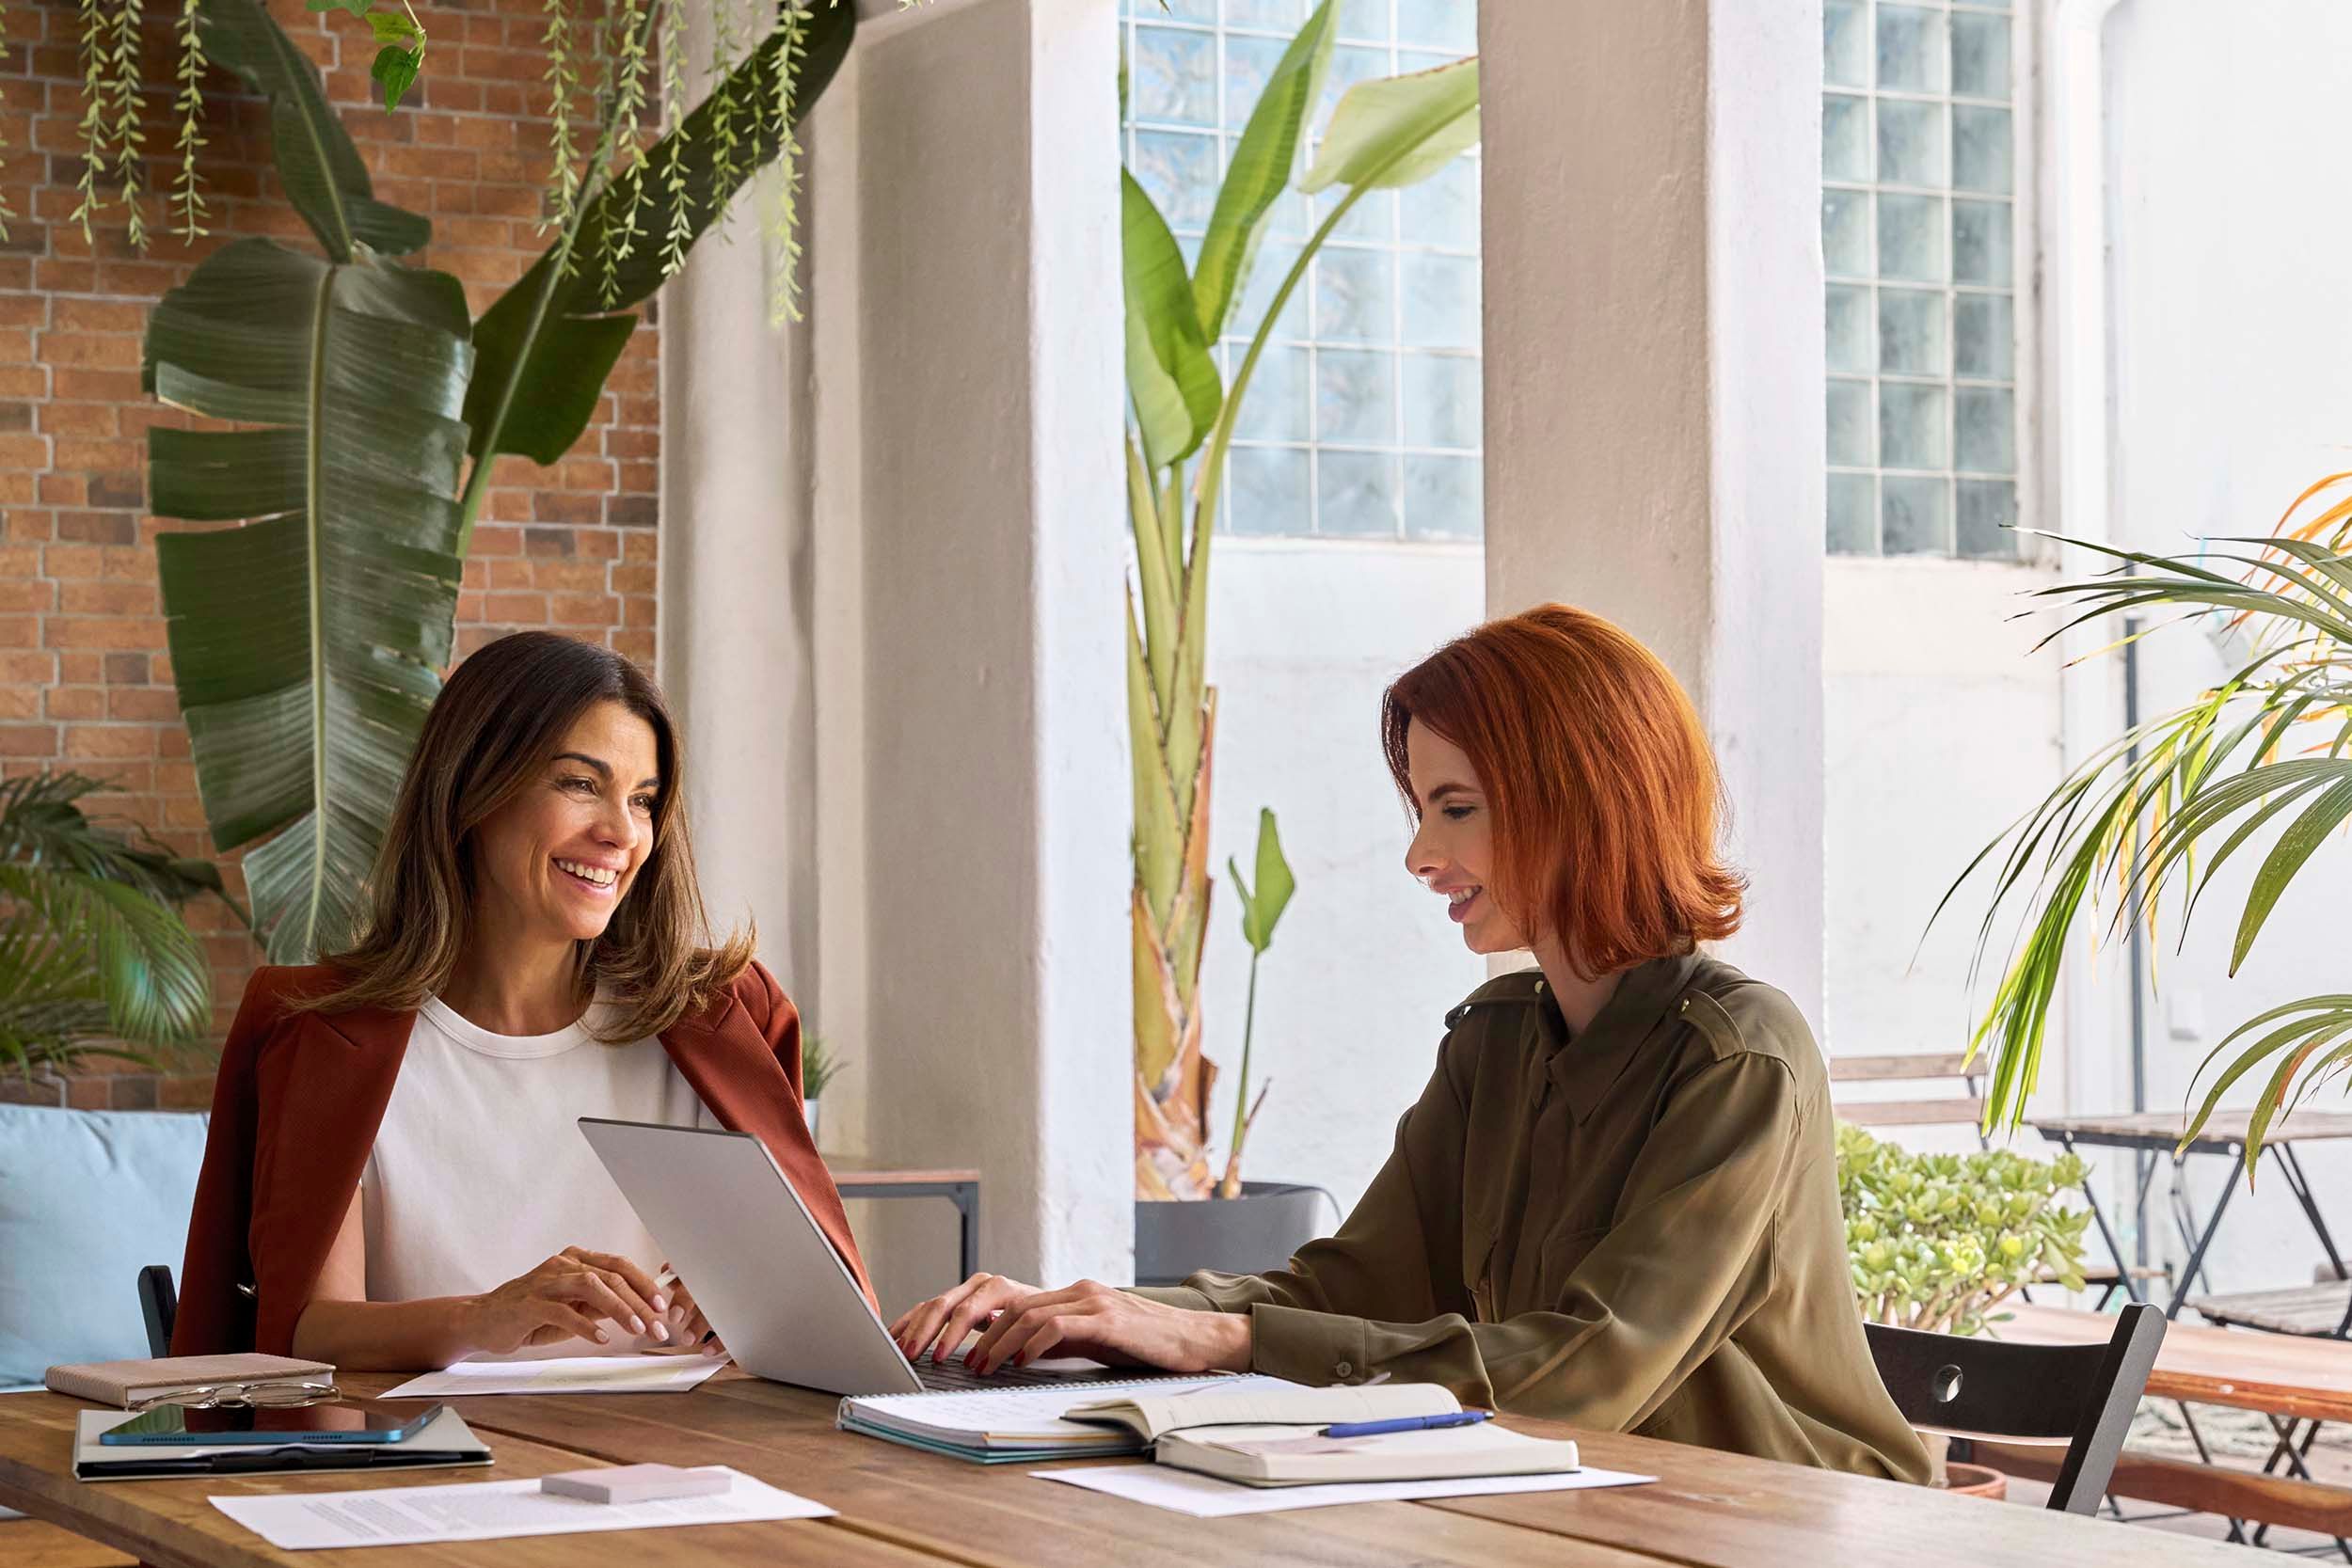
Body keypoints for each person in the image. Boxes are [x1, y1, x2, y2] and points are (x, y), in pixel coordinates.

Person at [890, 605, 1930, 1481]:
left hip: (1788, 1521)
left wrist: (1227, 1337)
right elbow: (1342, 1286)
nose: (1420, 853)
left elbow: (1590, 1368)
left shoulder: (1737, 1054)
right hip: (1573, 1504)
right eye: (1422, 808)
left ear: (1581, 800)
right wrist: (1103, 1313)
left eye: (1457, 807)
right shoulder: (1497, 1041)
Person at [174, 632, 869, 1370]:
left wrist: (751, 1300)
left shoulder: (721, 1018)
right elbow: (311, 1330)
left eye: (644, 799)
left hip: (692, 1465)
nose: (621, 832)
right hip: (439, 1466)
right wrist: (487, 1317)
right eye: (578, 783)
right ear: (473, 789)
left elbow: (817, 1316)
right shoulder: (327, 1035)